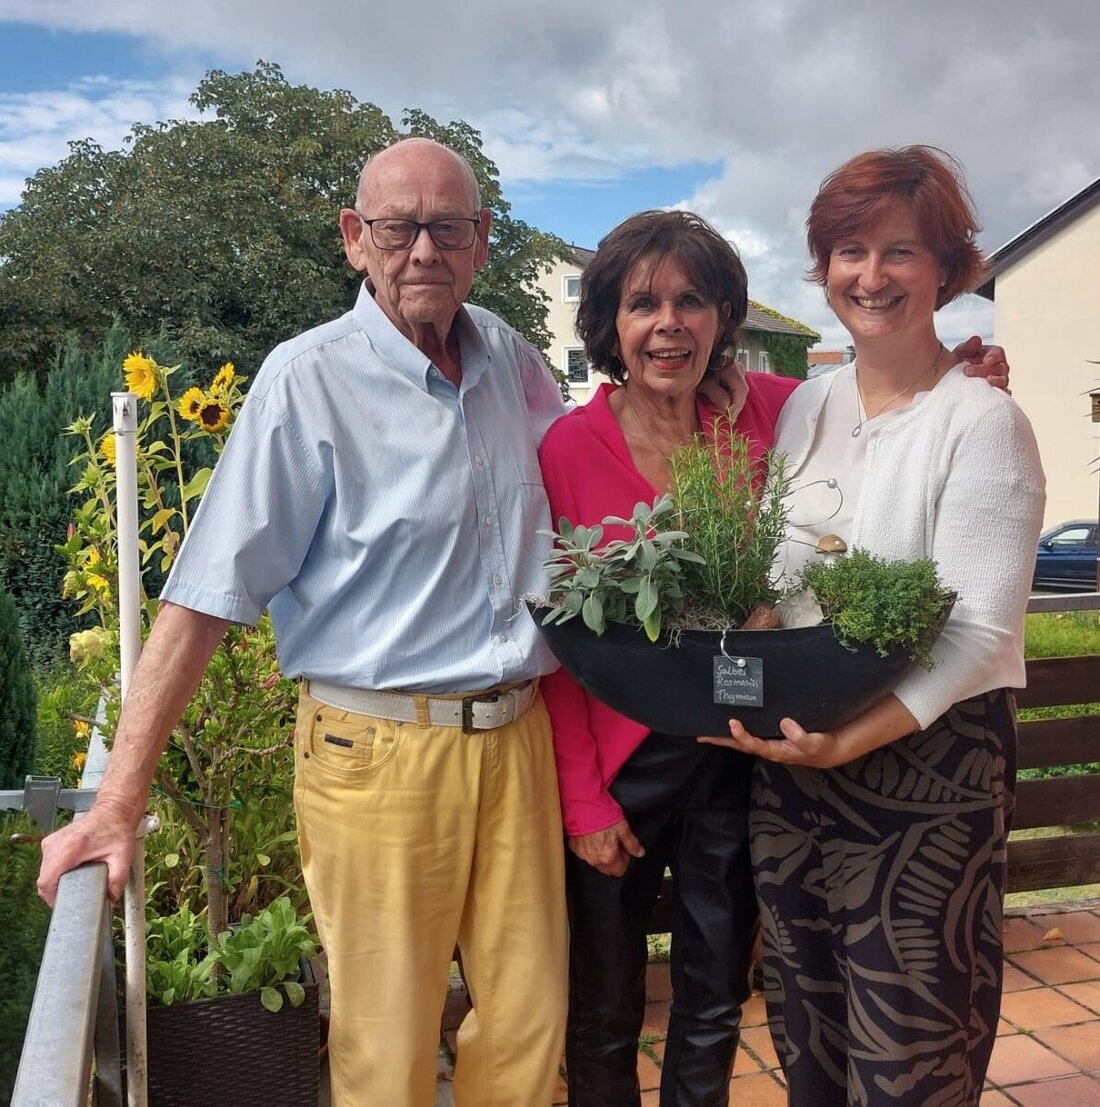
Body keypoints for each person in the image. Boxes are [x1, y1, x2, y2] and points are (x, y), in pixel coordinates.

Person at [37, 137, 574, 1107]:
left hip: (517, 737)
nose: (422, 251)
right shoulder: (307, 381)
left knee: (530, 1032)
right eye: (396, 227)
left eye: (446, 228)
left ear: (481, 240)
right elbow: (203, 599)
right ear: (351, 239)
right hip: (376, 750)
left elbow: (585, 467)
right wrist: (118, 801)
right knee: (388, 1046)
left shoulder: (512, 359)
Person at [537, 208, 1012, 1107]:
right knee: (601, 1004)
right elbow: (562, 641)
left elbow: (887, 409)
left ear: (722, 318)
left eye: (691, 301)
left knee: (714, 991)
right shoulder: (567, 446)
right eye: (643, 304)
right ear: (611, 325)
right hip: (618, 767)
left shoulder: (773, 412)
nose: (668, 323)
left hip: (736, 754)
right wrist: (582, 798)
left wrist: (969, 375)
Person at [701, 146, 1045, 1106]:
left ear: (949, 268)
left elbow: (977, 635)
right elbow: (776, 576)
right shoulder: (809, 403)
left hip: (922, 775)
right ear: (822, 268)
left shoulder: (981, 423)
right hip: (798, 778)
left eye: (901, 251)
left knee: (913, 1060)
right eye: (849, 250)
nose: (871, 275)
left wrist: (847, 740)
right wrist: (735, 671)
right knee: (810, 1047)